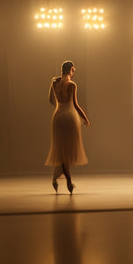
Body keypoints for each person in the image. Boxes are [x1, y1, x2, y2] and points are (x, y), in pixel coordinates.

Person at [45, 60, 90, 194]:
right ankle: (68, 182)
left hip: (57, 116)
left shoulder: (54, 83)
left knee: (62, 150)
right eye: (73, 70)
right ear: (70, 70)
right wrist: (85, 118)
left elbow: (51, 100)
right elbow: (76, 105)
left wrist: (60, 108)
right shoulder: (72, 85)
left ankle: (56, 178)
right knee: (67, 152)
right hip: (69, 117)